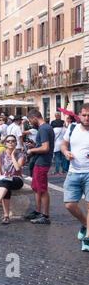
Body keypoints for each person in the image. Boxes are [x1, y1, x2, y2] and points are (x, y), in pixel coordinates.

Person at [61, 103, 89, 251]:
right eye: (84, 115)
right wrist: (66, 153)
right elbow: (63, 145)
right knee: (69, 205)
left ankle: (88, 238)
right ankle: (85, 223)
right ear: (79, 115)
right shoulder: (72, 128)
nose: (87, 118)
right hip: (73, 172)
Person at [26, 109, 55, 224]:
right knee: (36, 187)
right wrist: (34, 145)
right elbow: (43, 146)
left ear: (34, 117)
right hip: (40, 161)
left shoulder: (43, 128)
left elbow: (45, 148)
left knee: (42, 189)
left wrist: (32, 150)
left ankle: (45, 215)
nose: (30, 123)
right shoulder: (46, 128)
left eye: (29, 121)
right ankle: (38, 211)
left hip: (42, 162)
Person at [0, 135, 27, 224]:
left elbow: (18, 168)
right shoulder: (0, 155)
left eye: (13, 141)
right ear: (5, 143)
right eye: (8, 141)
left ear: (16, 143)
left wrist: (13, 156)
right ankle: (6, 215)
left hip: (17, 179)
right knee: (5, 183)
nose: (10, 142)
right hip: (4, 178)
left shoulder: (21, 155)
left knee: (5, 182)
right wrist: (1, 176)